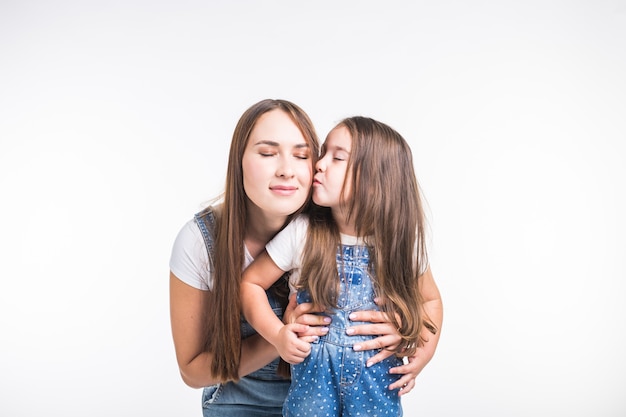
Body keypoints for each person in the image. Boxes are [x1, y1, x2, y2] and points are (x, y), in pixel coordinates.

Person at [169, 100, 425, 417]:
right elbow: (192, 371)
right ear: (238, 161)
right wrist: (280, 337)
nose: (288, 169)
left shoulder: (342, 220)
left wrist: (406, 332)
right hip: (246, 404)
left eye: (303, 155)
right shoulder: (202, 242)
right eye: (266, 153)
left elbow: (429, 302)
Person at [241, 116, 443, 417]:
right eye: (323, 154)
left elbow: (430, 300)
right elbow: (250, 283)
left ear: (375, 180)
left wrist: (422, 354)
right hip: (311, 395)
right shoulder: (304, 232)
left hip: (376, 393)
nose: (319, 164)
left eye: (337, 158)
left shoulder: (399, 242)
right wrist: (278, 335)